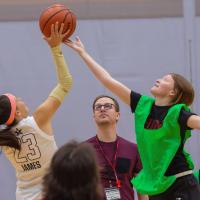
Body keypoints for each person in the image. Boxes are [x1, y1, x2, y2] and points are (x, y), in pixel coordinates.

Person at [65, 37, 200, 200]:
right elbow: (107, 80)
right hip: (157, 187)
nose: (158, 79)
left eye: (165, 80)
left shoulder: (178, 113)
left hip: (180, 182)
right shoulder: (142, 105)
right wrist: (83, 53)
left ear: (173, 92)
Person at [0, 22, 72, 200]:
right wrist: (55, 48)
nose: (23, 100)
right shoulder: (38, 119)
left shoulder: (3, 138)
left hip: (23, 196)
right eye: (19, 100)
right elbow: (65, 83)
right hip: (52, 193)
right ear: (16, 112)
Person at [86, 95, 148, 200]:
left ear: (117, 115)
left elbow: (142, 191)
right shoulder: (83, 150)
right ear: (94, 117)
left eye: (108, 106)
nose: (102, 109)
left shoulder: (133, 149)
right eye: (98, 107)